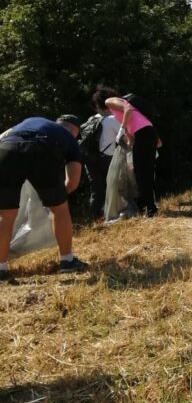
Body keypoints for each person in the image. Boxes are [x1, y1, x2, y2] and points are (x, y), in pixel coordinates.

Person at [0, 114, 89, 281]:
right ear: (73, 130)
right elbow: (72, 182)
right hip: (43, 149)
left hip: (6, 149)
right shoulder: (69, 139)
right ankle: (67, 261)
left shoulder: (28, 122)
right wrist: (54, 200)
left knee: (6, 215)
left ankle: (1, 269)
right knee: (60, 210)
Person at [105, 94, 160, 215]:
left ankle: (150, 208)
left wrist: (121, 129)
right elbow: (132, 134)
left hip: (143, 135)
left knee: (141, 173)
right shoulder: (132, 114)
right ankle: (150, 206)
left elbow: (127, 109)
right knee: (146, 171)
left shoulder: (109, 101)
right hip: (149, 134)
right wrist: (128, 141)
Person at [82, 86, 121, 219]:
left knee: (96, 191)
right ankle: (112, 214)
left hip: (89, 159)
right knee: (113, 187)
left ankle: (94, 218)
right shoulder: (112, 119)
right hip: (107, 158)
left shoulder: (92, 119)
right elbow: (123, 137)